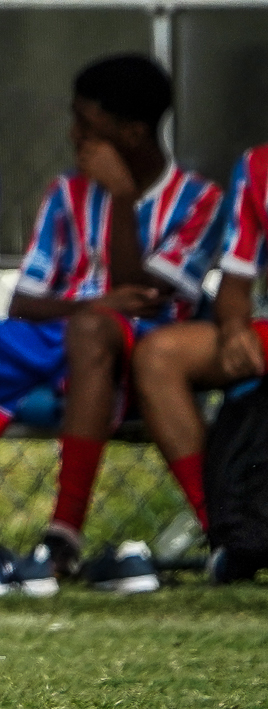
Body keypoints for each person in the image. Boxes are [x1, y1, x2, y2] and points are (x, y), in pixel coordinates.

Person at [0, 55, 223, 596]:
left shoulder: (200, 201)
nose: (75, 138)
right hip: (56, 335)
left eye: (89, 129)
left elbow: (140, 299)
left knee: (95, 330)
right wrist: (90, 305)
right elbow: (25, 301)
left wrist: (119, 199)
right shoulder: (67, 192)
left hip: (137, 352)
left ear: (134, 134)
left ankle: (62, 536)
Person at [131, 139, 268, 572]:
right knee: (158, 355)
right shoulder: (257, 165)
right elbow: (235, 285)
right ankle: (229, 534)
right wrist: (232, 329)